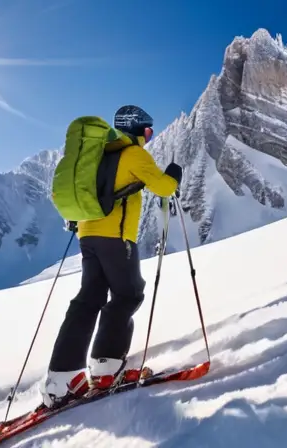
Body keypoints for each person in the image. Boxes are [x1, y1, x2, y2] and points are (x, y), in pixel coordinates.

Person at [40, 105, 182, 408]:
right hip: (116, 237)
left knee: (89, 298)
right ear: (139, 130)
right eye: (148, 130)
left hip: (87, 235)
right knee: (128, 294)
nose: (150, 136)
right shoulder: (133, 155)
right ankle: (106, 368)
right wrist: (174, 175)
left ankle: (62, 378)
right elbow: (164, 188)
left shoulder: (100, 156)